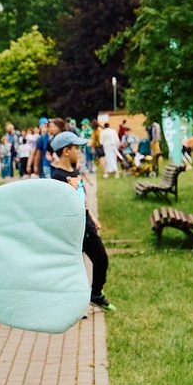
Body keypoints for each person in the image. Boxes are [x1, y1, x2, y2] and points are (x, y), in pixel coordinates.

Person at [50, 131, 114, 312]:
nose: (79, 151)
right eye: (76, 148)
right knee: (74, 268)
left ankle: (95, 294)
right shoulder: (58, 178)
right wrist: (68, 191)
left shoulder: (74, 171)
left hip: (86, 223)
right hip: (74, 228)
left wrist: (92, 216)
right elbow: (60, 208)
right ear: (66, 151)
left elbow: (82, 198)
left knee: (101, 259)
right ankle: (76, 305)